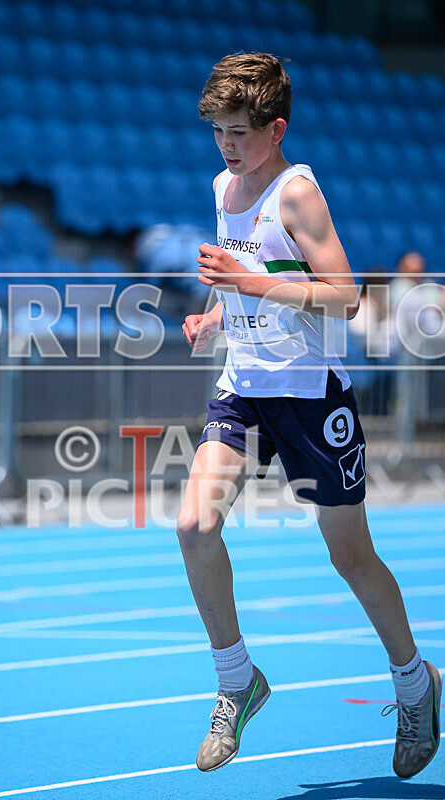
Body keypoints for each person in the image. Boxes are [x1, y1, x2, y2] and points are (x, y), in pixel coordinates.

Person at [179, 53, 441, 778]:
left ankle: (417, 684)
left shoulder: (297, 195)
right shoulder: (223, 186)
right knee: (194, 525)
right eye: (218, 132)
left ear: (277, 129)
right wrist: (213, 314)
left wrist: (250, 286)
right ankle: (237, 681)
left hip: (311, 395)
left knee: (350, 557)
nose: (227, 146)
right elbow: (237, 273)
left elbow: (346, 293)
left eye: (239, 132)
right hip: (244, 390)